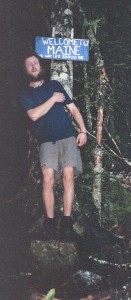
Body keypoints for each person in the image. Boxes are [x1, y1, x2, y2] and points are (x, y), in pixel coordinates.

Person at [20, 52, 87, 240]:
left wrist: (83, 130)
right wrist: (52, 99)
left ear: (41, 66)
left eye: (36, 63)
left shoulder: (54, 85)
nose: (33, 66)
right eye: (29, 64)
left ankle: (67, 223)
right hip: (46, 141)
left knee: (68, 177)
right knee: (48, 178)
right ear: (25, 70)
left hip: (67, 136)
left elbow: (73, 109)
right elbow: (33, 115)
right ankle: (49, 223)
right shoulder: (26, 93)